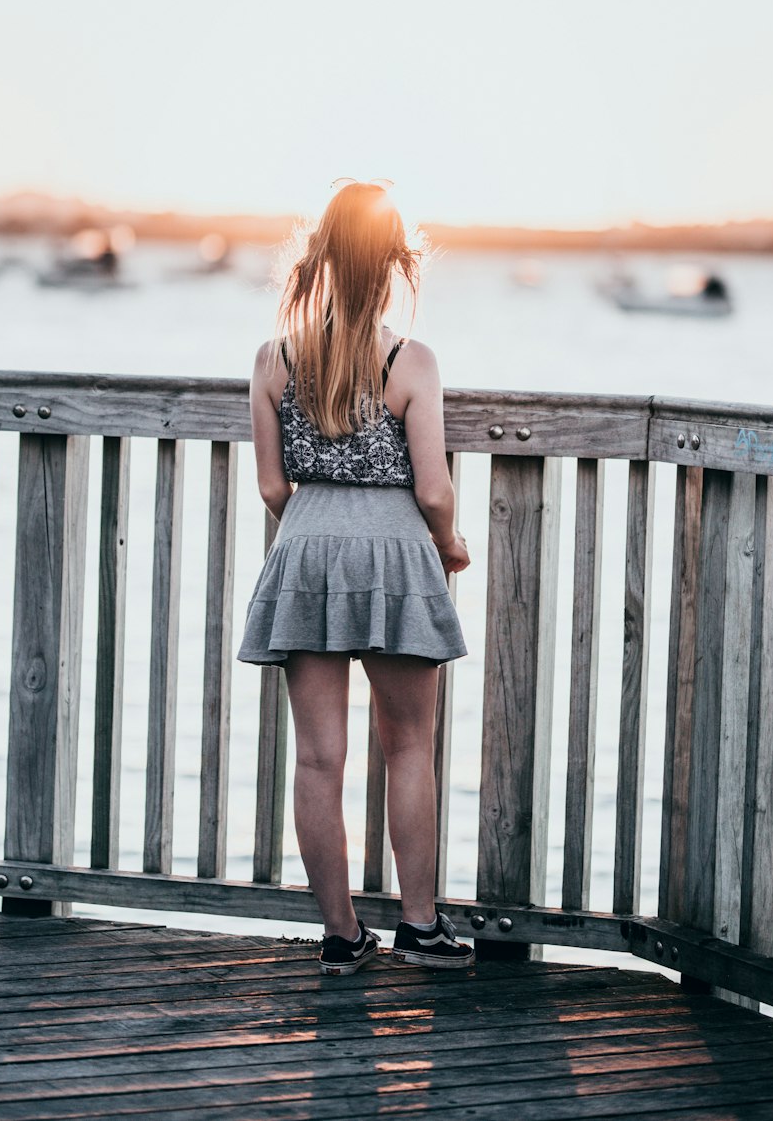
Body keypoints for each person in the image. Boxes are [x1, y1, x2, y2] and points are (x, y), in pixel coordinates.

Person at [237, 180, 473, 976]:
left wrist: (314, 534)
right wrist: (451, 543)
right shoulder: (411, 360)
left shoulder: (275, 359)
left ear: (322, 258)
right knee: (408, 744)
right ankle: (419, 926)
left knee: (316, 758)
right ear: (393, 266)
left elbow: (273, 488)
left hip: (305, 547)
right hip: (396, 550)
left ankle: (341, 936)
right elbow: (434, 488)